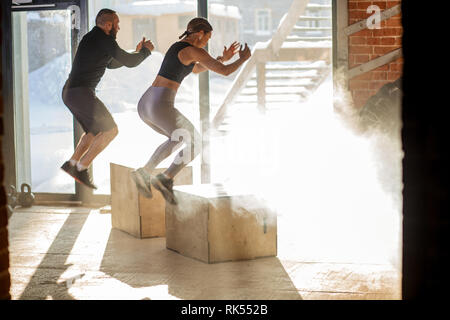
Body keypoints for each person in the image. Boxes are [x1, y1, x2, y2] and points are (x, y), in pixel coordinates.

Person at [131, 17, 251, 204]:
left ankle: (148, 174)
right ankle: (162, 178)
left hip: (146, 103)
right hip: (160, 103)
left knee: (178, 137)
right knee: (195, 142)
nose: (207, 42)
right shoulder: (194, 50)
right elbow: (225, 71)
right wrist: (242, 60)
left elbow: (195, 69)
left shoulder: (177, 47)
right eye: (207, 38)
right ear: (200, 33)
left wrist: (221, 58)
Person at [61, 9, 154, 189]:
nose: (118, 27)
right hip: (80, 92)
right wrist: (145, 52)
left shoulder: (93, 38)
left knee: (93, 133)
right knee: (111, 131)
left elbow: (111, 63)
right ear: (108, 24)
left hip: (70, 93)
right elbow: (128, 61)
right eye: (116, 24)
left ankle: (72, 163)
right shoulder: (103, 38)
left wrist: (136, 53)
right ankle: (81, 168)